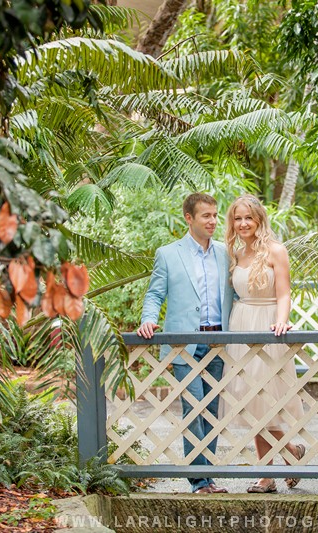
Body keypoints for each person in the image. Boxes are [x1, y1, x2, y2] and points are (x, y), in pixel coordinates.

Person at [136, 192, 234, 494]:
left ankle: (207, 477)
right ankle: (199, 481)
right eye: (206, 215)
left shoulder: (225, 252)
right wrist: (148, 319)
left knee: (212, 410)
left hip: (218, 341)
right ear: (188, 218)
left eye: (216, 215)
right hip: (185, 344)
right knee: (193, 409)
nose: (213, 221)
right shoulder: (168, 254)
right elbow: (154, 294)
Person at [224, 194, 306, 493]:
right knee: (251, 401)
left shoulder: (275, 250)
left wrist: (282, 321)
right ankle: (288, 456)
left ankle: (267, 473)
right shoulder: (234, 253)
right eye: (238, 218)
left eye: (248, 217)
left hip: (268, 324)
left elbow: (284, 292)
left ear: (259, 219)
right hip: (241, 324)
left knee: (266, 400)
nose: (243, 223)